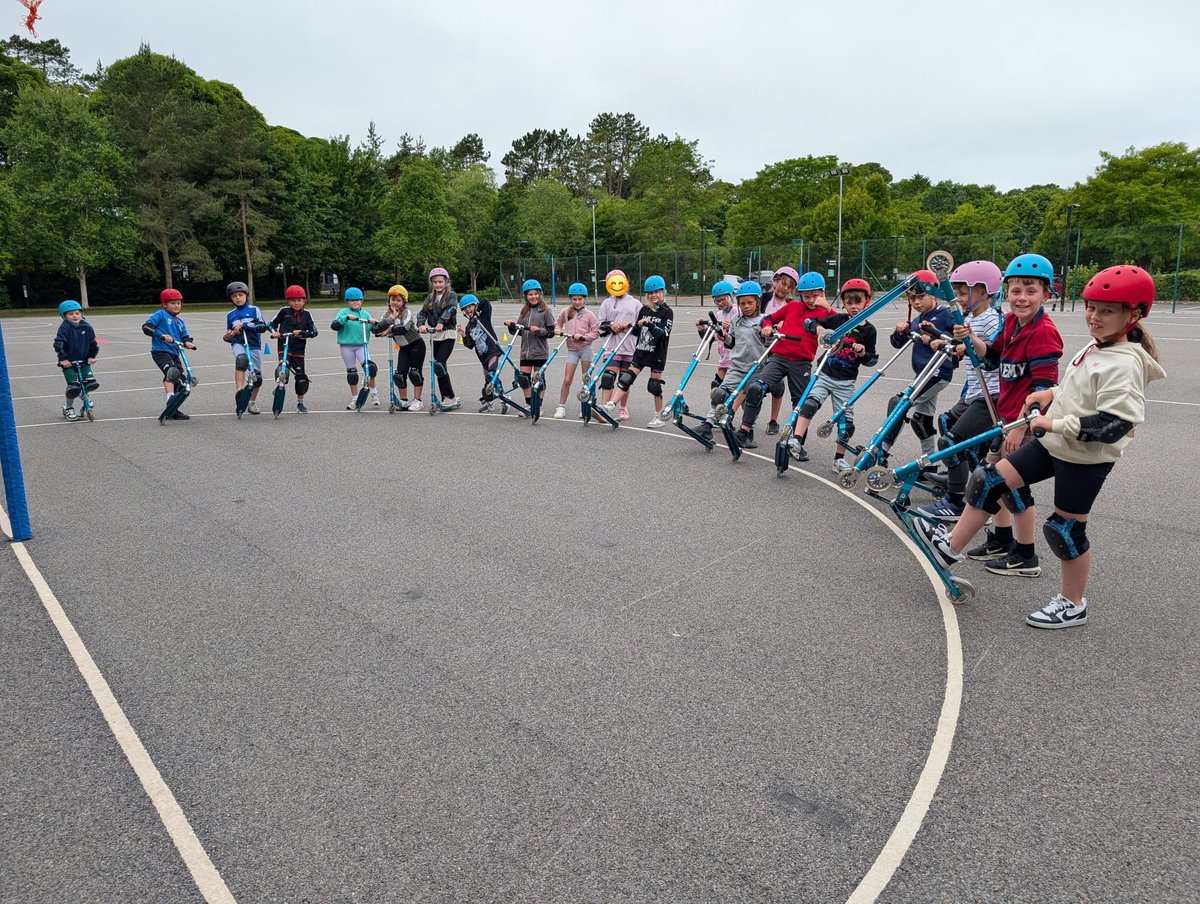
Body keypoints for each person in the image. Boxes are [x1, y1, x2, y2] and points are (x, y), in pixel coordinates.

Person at [915, 265, 1164, 629]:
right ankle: (949, 548)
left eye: (1107, 310)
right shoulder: (1098, 348)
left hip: (1084, 458)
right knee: (988, 480)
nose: (1094, 317)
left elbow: (1114, 425)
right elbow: (1077, 391)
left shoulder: (1124, 363)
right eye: (1092, 307)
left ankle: (1072, 603)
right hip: (1055, 444)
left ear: (1135, 314)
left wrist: (1052, 422)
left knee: (1064, 530)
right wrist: (1052, 393)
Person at [945, 253, 1064, 575]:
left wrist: (1017, 428)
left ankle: (1026, 557)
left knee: (1011, 486)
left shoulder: (1043, 333)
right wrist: (973, 340)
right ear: (1006, 292)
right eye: (1015, 290)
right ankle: (1001, 538)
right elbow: (993, 358)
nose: (1022, 297)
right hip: (1006, 416)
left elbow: (1043, 389)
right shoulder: (1010, 322)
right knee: (994, 479)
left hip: (1022, 423)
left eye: (1030, 290)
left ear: (1046, 295)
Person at [917, 261, 1004, 519]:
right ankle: (962, 478)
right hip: (972, 393)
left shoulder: (992, 319)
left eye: (965, 292)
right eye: (957, 292)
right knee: (946, 422)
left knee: (951, 441)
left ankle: (956, 502)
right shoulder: (968, 318)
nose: (959, 298)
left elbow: (993, 348)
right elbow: (957, 343)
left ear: (986, 292)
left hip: (991, 394)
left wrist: (969, 345)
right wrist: (937, 335)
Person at [788, 278, 879, 467]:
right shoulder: (838, 320)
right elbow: (808, 322)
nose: (853, 307)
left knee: (846, 423)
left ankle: (839, 459)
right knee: (810, 404)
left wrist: (862, 352)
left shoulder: (869, 330)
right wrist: (819, 328)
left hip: (845, 382)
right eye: (849, 302)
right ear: (843, 303)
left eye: (858, 302)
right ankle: (796, 439)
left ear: (866, 302)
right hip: (825, 374)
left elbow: (871, 359)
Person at [741, 271, 834, 438]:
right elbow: (769, 318)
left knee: (801, 404)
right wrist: (768, 326)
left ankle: (797, 441)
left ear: (823, 293)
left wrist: (827, 307)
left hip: (802, 362)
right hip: (779, 358)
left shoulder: (825, 313)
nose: (811, 300)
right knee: (756, 388)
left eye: (815, 296)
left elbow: (840, 327)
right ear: (800, 296)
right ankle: (744, 431)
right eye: (806, 296)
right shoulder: (793, 307)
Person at [886, 269, 958, 458]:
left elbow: (960, 340)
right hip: (923, 375)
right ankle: (929, 463)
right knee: (921, 421)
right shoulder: (918, 319)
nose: (916, 302)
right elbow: (897, 344)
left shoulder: (945, 314)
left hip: (938, 373)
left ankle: (881, 450)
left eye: (921, 296)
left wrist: (939, 339)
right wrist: (900, 331)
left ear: (933, 293)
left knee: (898, 404)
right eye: (912, 298)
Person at [605, 275, 674, 427]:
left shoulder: (667, 312)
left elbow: (663, 333)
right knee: (626, 378)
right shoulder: (644, 309)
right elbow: (636, 332)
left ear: (663, 292)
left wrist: (649, 325)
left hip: (657, 353)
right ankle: (611, 404)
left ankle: (658, 416)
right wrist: (635, 326)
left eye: (657, 292)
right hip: (641, 350)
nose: (653, 295)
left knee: (654, 386)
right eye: (650, 293)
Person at [709, 280, 767, 447]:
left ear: (758, 302)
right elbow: (732, 342)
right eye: (742, 303)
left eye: (750, 302)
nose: (746, 306)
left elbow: (770, 343)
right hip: (737, 367)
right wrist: (724, 337)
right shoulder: (736, 320)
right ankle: (708, 424)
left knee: (752, 397)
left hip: (756, 369)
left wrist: (772, 331)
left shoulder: (765, 321)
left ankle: (747, 432)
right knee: (719, 393)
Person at [141, 288, 196, 421]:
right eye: (172, 303)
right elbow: (147, 327)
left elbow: (185, 336)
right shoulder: (160, 314)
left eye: (178, 303)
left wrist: (188, 342)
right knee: (172, 372)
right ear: (165, 304)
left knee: (182, 382)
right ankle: (170, 399)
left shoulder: (180, 322)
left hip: (174, 353)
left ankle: (174, 409)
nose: (176, 305)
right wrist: (161, 335)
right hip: (160, 351)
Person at [504, 279, 557, 414]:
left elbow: (551, 332)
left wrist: (539, 331)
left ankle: (538, 406)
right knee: (523, 379)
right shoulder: (524, 311)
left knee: (539, 379)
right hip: (525, 352)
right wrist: (511, 326)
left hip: (540, 351)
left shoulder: (545, 311)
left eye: (535, 294)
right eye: (530, 294)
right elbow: (520, 330)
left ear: (540, 294)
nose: (533, 297)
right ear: (526, 296)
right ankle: (529, 405)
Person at [595, 269, 641, 419]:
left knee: (624, 380)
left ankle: (623, 408)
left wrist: (630, 325)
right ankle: (603, 409)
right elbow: (600, 325)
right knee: (608, 377)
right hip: (612, 347)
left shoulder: (635, 303)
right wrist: (611, 325)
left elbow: (641, 325)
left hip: (629, 347)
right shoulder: (606, 303)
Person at [371, 284, 425, 411]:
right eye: (392, 299)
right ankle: (404, 401)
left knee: (415, 373)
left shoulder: (407, 312)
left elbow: (403, 328)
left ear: (404, 302)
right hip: (403, 347)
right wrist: (389, 321)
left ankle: (418, 400)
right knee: (399, 375)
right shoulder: (387, 314)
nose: (395, 302)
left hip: (416, 345)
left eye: (398, 300)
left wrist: (389, 329)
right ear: (389, 300)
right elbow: (378, 328)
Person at [222, 281, 270, 415]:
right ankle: (239, 392)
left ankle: (252, 403)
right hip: (239, 343)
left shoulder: (254, 310)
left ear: (246, 295)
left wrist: (244, 326)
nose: (237, 298)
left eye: (240, 295)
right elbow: (227, 337)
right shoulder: (230, 315)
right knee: (241, 360)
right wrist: (228, 335)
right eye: (234, 296)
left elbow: (262, 327)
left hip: (254, 345)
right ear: (231, 298)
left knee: (257, 377)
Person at [269, 284, 318, 414]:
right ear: (288, 301)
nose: (296, 303)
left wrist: (302, 333)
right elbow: (271, 324)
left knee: (301, 378)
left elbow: (314, 332)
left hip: (299, 349)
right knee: (283, 366)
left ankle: (300, 403)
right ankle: (280, 384)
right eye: (293, 300)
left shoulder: (307, 315)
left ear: (304, 301)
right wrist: (275, 332)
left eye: (299, 300)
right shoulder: (284, 312)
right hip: (284, 345)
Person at [553, 283, 600, 419]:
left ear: (584, 299)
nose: (577, 302)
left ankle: (586, 407)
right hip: (572, 350)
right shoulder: (566, 312)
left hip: (586, 349)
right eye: (574, 299)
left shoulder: (589, 315)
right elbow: (558, 324)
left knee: (586, 379)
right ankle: (561, 407)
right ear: (571, 299)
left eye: (580, 299)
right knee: (567, 379)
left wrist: (584, 337)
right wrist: (558, 330)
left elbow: (596, 332)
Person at [417, 266, 460, 410]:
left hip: (447, 333)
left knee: (439, 364)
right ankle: (447, 397)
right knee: (440, 367)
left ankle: (449, 397)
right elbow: (422, 313)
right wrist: (421, 324)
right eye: (435, 282)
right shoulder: (430, 298)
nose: (438, 285)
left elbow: (451, 309)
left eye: (441, 282)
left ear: (446, 282)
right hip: (435, 336)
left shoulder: (451, 295)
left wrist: (441, 322)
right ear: (432, 283)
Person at [763, 266, 799, 435]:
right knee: (752, 385)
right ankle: (745, 420)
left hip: (779, 350)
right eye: (783, 284)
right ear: (775, 281)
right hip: (760, 347)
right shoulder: (763, 299)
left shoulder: (792, 305)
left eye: (789, 287)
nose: (785, 289)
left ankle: (773, 420)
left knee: (778, 387)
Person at [330, 287, 377, 410]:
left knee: (370, 368)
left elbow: (375, 329)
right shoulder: (343, 312)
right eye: (351, 300)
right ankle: (354, 399)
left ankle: (374, 393)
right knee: (352, 374)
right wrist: (345, 319)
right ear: (347, 301)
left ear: (361, 301)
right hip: (347, 347)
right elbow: (335, 325)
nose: (355, 303)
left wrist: (374, 323)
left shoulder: (365, 314)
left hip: (361, 346)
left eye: (357, 300)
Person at [53, 300, 99, 420]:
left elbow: (93, 343)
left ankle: (85, 396)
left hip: (84, 361)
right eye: (71, 314)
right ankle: (68, 407)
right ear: (64, 316)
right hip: (68, 362)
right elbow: (59, 344)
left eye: (77, 313)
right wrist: (63, 359)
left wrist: (92, 356)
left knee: (91, 383)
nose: (75, 316)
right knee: (73, 388)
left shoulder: (87, 327)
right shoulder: (64, 328)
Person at [459, 294, 504, 411]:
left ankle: (504, 398)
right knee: (488, 381)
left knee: (491, 375)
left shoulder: (483, 317)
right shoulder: (469, 326)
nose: (468, 309)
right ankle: (488, 401)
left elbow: (486, 302)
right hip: (483, 357)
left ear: (476, 305)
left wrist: (478, 309)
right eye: (465, 308)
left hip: (493, 352)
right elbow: (470, 345)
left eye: (470, 306)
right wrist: (464, 335)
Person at [697, 280, 735, 396]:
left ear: (730, 297)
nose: (720, 303)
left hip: (736, 358)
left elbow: (743, 333)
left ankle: (747, 413)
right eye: (717, 301)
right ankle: (714, 409)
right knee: (716, 385)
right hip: (724, 358)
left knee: (737, 391)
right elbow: (710, 337)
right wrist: (701, 328)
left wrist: (730, 327)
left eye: (723, 299)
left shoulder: (737, 311)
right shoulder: (718, 315)